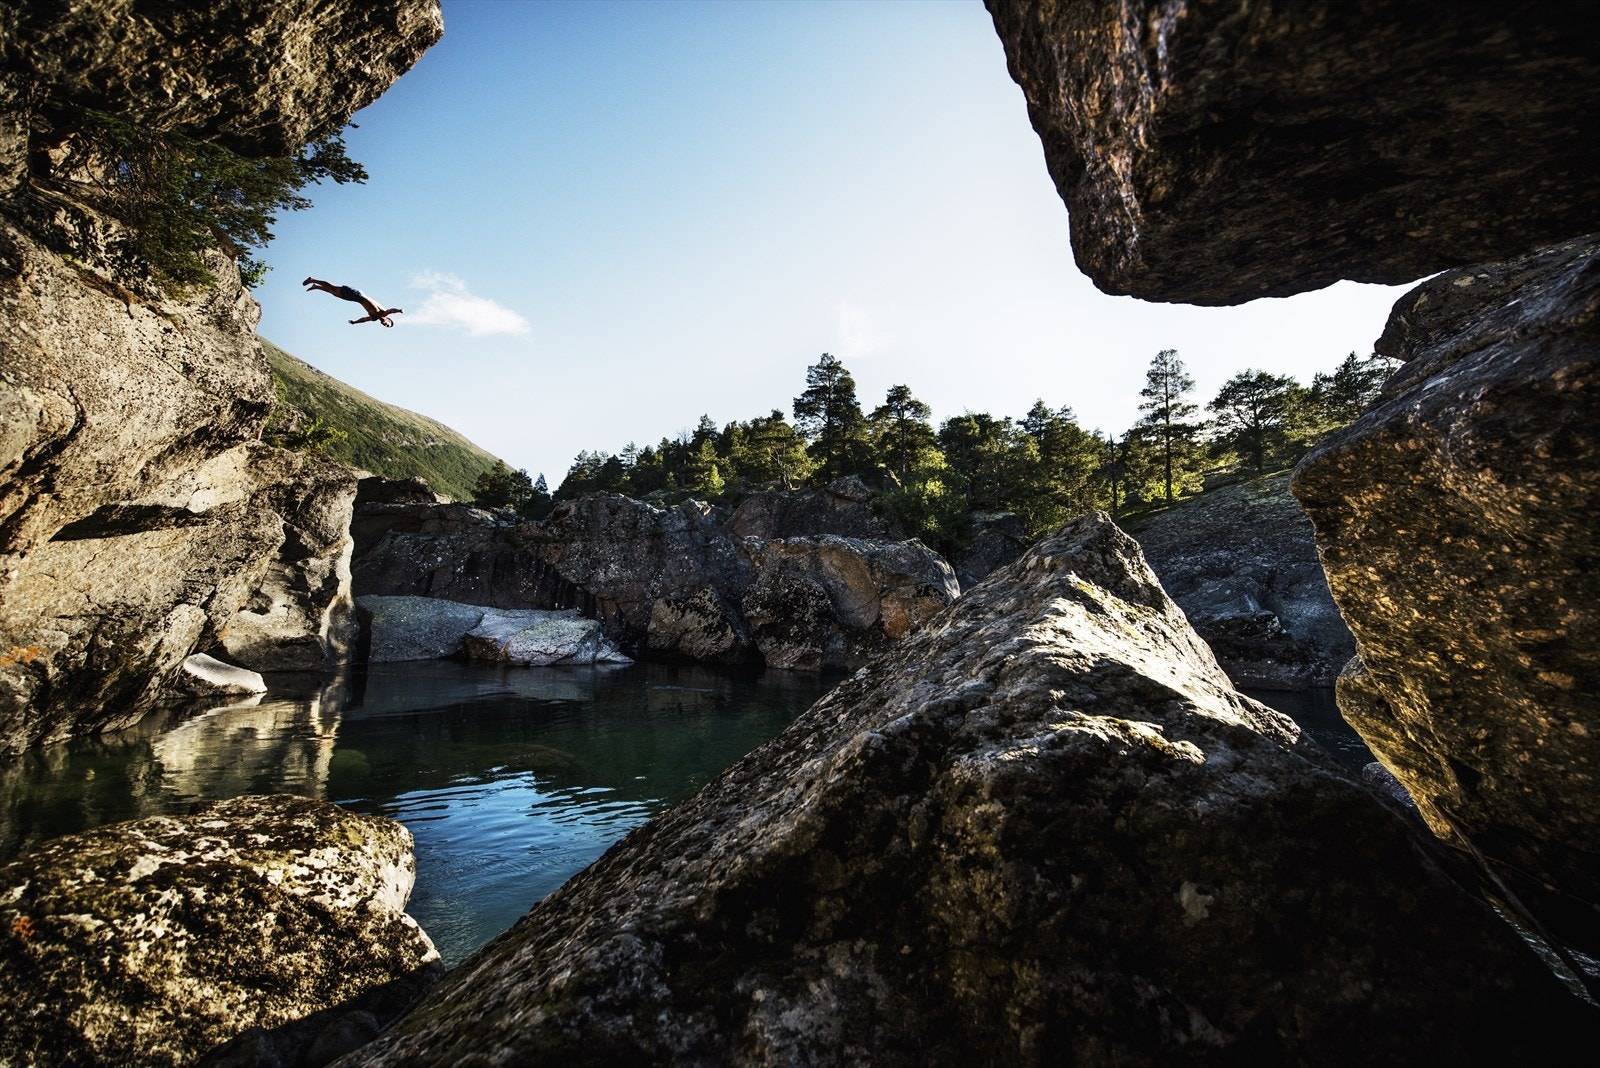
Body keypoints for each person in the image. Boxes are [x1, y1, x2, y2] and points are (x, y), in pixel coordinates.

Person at [303, 277, 403, 328]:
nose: (385, 325)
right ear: (388, 319)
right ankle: (313, 280)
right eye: (388, 324)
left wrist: (355, 322)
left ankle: (316, 287)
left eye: (386, 327)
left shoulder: (374, 318)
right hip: (358, 294)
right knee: (334, 288)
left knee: (335, 294)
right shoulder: (383, 313)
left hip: (355, 299)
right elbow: (391, 310)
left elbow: (364, 320)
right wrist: (399, 310)